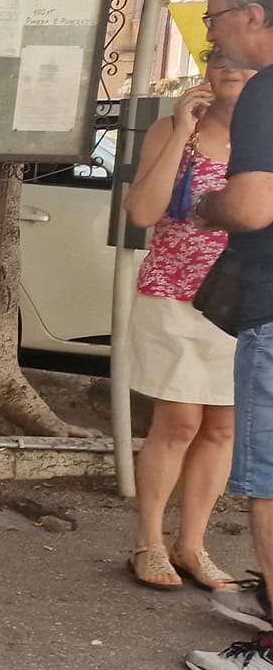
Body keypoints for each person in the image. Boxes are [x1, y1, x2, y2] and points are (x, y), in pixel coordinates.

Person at [122, 51, 250, 592]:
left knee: (221, 427)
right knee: (177, 423)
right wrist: (181, 132)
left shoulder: (264, 141)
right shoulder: (174, 129)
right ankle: (150, 542)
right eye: (220, 61)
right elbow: (143, 211)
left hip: (240, 303)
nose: (230, 72)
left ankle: (192, 545)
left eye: (244, 66)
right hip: (174, 297)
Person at [182, 0, 273, 670]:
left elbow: (249, 206)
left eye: (213, 16)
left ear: (253, 16)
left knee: (267, 478)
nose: (212, 33)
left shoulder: (269, 89)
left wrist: (206, 207)